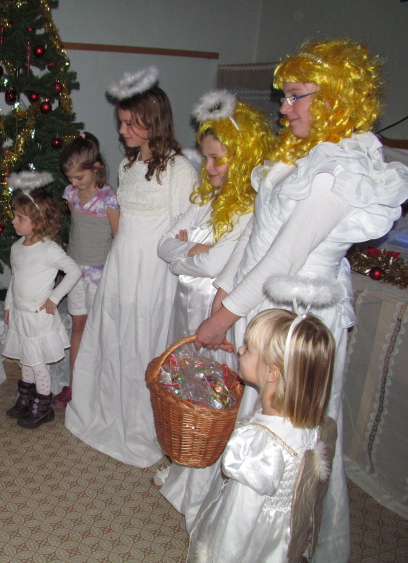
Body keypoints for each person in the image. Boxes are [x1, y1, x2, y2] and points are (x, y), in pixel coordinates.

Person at [194, 40, 408, 561]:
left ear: (333, 98)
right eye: (285, 96)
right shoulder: (303, 154)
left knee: (294, 434)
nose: (284, 108)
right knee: (259, 420)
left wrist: (222, 318)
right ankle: (240, 523)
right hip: (266, 305)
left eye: (296, 96)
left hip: (301, 319)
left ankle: (283, 539)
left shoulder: (341, 169)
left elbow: (283, 258)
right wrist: (225, 291)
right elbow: (258, 237)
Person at [65, 67, 199, 468]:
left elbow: (183, 231)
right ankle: (105, 411)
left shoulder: (179, 169)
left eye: (129, 123)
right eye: (121, 122)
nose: (122, 130)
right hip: (120, 264)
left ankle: (140, 425)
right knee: (113, 337)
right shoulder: (127, 167)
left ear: (152, 121)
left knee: (142, 342)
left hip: (152, 271)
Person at [155, 93, 274, 505]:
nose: (207, 167)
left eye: (216, 159)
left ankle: (204, 476)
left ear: (243, 157)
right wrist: (193, 252)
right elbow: (163, 246)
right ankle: (183, 459)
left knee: (213, 392)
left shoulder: (249, 209)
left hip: (214, 311)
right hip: (183, 305)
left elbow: (216, 265)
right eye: (205, 158)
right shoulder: (205, 199)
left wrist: (186, 252)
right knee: (183, 385)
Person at [188, 308, 337, 562]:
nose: (240, 350)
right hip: (282, 538)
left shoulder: (261, 446)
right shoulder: (310, 426)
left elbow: (238, 520)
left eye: (248, 348)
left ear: (272, 373)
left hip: (252, 541)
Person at [3, 175, 82, 429]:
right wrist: (8, 305)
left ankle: (43, 404)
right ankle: (27, 397)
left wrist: (55, 298)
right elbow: (15, 279)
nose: (13, 221)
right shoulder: (17, 247)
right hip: (20, 313)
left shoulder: (49, 249)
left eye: (20, 218)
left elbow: (74, 271)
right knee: (25, 359)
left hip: (38, 315)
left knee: (37, 363)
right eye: (15, 216)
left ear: (38, 222)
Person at [52, 132, 119, 409]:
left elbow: (118, 237)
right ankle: (75, 383)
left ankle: (98, 385)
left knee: (97, 329)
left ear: (96, 167)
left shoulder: (108, 199)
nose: (74, 183)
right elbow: (76, 227)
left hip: (99, 274)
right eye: (70, 178)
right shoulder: (71, 194)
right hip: (75, 273)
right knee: (78, 326)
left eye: (79, 178)